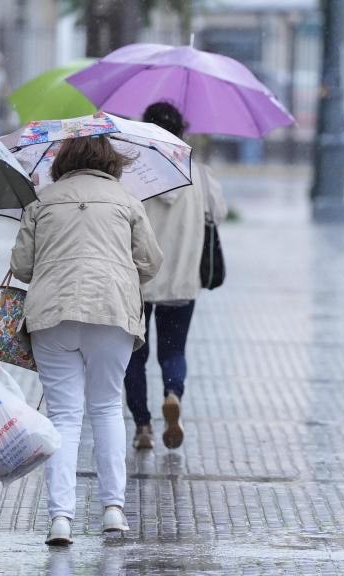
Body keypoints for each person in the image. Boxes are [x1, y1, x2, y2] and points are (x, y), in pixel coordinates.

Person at [10, 136, 163, 546]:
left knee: (64, 417)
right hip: (111, 311)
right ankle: (114, 510)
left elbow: (21, 267)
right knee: (108, 407)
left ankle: (61, 518)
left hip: (52, 314)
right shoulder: (126, 200)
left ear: (63, 161)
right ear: (111, 162)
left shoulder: (41, 201)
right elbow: (150, 262)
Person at [124, 102, 227, 451]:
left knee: (134, 354)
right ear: (181, 131)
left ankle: (142, 426)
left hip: (136, 280)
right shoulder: (199, 174)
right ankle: (172, 392)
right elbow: (220, 213)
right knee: (174, 350)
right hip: (182, 280)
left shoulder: (134, 174)